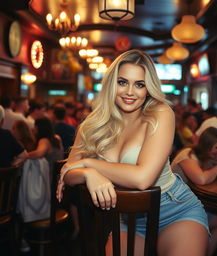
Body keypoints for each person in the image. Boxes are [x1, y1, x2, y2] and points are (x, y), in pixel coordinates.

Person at [57, 49, 209, 256]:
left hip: (174, 209)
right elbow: (68, 172)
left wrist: (89, 164)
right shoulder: (92, 124)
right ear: (112, 83)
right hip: (126, 217)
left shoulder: (160, 114)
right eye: (122, 82)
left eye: (139, 84)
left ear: (148, 88)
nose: (130, 92)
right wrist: (86, 174)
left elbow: (142, 178)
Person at [171, 127, 217, 256]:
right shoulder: (188, 155)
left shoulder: (207, 155)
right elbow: (201, 179)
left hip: (188, 202)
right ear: (207, 145)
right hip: (175, 206)